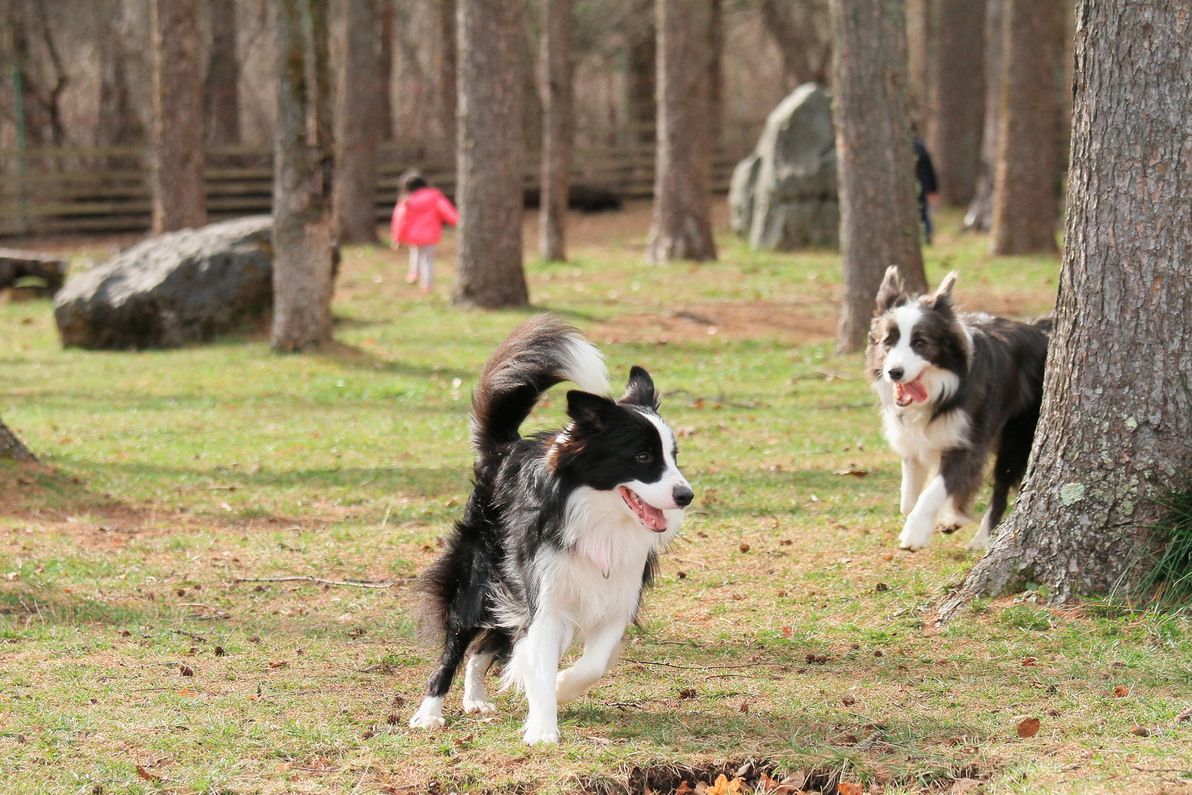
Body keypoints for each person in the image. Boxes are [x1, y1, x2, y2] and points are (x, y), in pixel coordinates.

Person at [390, 170, 459, 293]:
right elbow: (446, 210)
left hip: (413, 236)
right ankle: (427, 284)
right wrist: (457, 221)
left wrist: (398, 239)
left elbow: (400, 220)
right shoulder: (434, 196)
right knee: (427, 259)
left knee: (415, 252)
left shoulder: (406, 201)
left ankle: (414, 273)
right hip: (431, 235)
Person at [913, 136, 940, 245]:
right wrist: (933, 188)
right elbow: (930, 170)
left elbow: (929, 169)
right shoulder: (919, 147)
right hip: (922, 185)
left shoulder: (917, 147)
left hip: (920, 186)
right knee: (923, 212)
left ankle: (926, 235)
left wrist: (933, 189)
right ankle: (926, 234)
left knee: (922, 212)